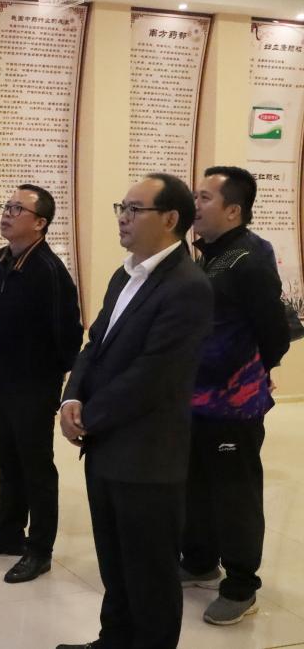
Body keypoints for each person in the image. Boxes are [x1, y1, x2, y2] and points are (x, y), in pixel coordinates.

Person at [56, 174, 213, 649]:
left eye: (134, 209)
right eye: (120, 207)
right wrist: (71, 398)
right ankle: (114, 640)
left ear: (170, 219)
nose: (123, 217)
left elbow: (154, 375)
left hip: (148, 456)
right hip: (107, 446)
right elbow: (95, 344)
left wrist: (90, 416)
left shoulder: (188, 286)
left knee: (150, 573)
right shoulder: (124, 274)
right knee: (116, 563)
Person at [180, 166, 289, 625]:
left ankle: (241, 585)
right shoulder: (208, 254)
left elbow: (274, 331)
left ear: (233, 210)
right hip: (195, 400)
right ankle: (200, 560)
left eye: (205, 198)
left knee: (234, 493)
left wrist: (254, 370)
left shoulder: (249, 258)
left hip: (233, 405)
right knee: (196, 484)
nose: (195, 205)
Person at [0, 185, 83, 584]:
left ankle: (39, 550)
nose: (7, 213)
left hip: (34, 386)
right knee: (6, 458)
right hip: (2, 381)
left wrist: (53, 381)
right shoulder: (3, 259)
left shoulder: (48, 271)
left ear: (40, 223)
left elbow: (69, 334)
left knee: (36, 467)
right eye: (7, 206)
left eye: (18, 209)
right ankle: (8, 532)